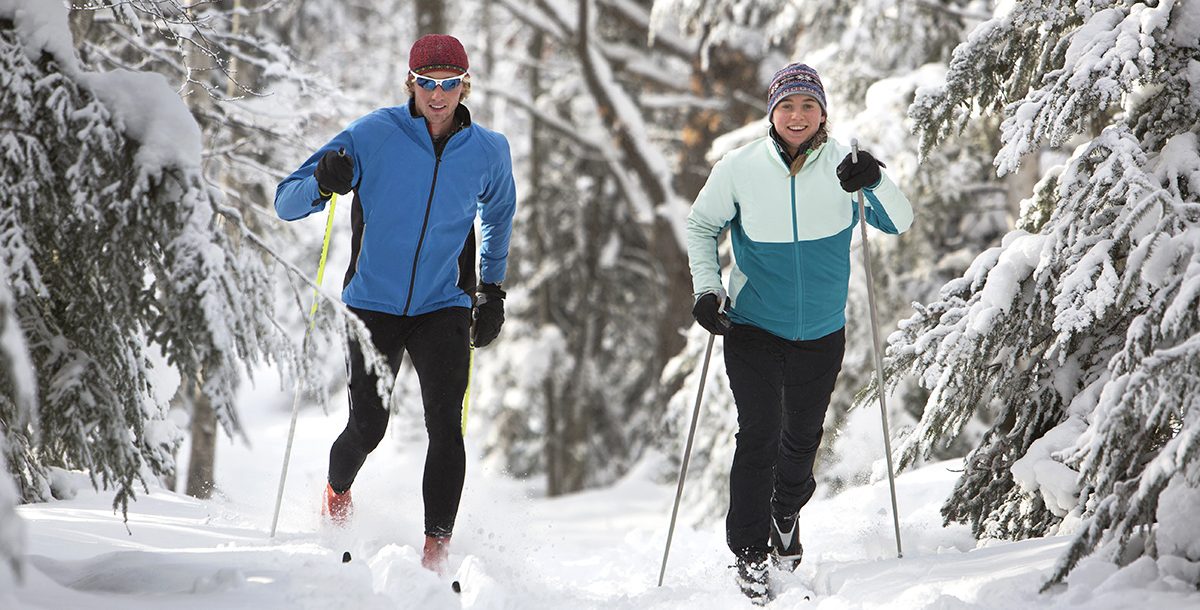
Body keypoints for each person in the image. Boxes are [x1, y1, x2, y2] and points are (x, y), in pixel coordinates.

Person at [274, 34, 516, 575]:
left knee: (445, 426)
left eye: (449, 82)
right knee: (369, 427)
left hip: (444, 305)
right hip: (372, 305)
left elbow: (498, 217)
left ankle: (436, 553)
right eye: (427, 82)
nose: (438, 94)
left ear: (464, 84)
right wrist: (323, 180)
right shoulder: (373, 134)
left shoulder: (488, 150)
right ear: (410, 82)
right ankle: (337, 492)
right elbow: (285, 202)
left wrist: (492, 290)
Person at [685, 62, 913, 600]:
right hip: (753, 326)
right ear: (772, 112)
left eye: (808, 105)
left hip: (820, 331)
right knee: (758, 433)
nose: (797, 115)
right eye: (786, 105)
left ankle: (785, 512)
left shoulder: (845, 167)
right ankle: (749, 554)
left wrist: (876, 179)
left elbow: (899, 222)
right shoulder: (739, 167)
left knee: (800, 441)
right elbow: (700, 224)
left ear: (823, 113)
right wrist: (705, 289)